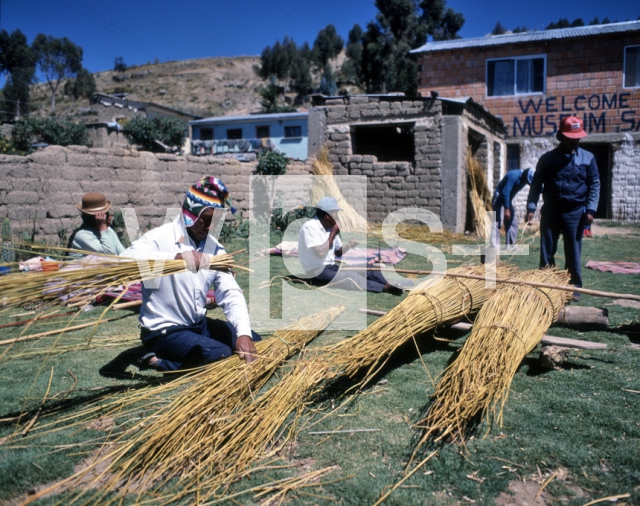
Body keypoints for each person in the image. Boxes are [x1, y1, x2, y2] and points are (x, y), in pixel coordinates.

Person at [121, 176, 260, 371]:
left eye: (216, 220)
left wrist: (244, 334)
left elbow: (231, 293)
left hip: (198, 326)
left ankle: (200, 350)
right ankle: (155, 360)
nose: (210, 227)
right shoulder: (160, 238)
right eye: (206, 220)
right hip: (164, 331)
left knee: (253, 340)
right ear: (191, 213)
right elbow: (125, 259)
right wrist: (176, 258)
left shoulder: (215, 249)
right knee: (219, 354)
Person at [526, 116, 600, 302]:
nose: (574, 141)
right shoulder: (547, 159)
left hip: (575, 213)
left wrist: (590, 209)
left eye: (577, 137)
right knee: (547, 251)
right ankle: (546, 285)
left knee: (573, 252)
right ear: (561, 136)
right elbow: (536, 184)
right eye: (570, 137)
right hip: (551, 211)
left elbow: (594, 184)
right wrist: (531, 207)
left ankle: (573, 288)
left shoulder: (588, 158)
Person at [298, 196, 402, 294]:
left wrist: (349, 245)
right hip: (317, 271)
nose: (337, 216)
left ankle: (388, 283)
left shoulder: (329, 227)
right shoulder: (309, 227)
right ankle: (385, 288)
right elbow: (320, 253)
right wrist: (333, 233)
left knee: (367, 267)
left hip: (331, 267)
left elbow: (338, 252)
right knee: (350, 276)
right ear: (327, 215)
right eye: (335, 213)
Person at [68, 192, 125, 258]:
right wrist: (103, 227)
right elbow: (108, 254)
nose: (110, 217)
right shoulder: (82, 235)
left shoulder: (108, 231)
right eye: (106, 214)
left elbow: (123, 254)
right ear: (98, 218)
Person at [491, 167, 533, 251]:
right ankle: (494, 247)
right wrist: (507, 209)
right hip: (499, 198)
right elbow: (505, 192)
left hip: (507, 200)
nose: (526, 183)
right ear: (524, 176)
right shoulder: (513, 175)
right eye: (527, 181)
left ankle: (510, 245)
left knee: (513, 222)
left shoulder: (524, 180)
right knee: (497, 223)